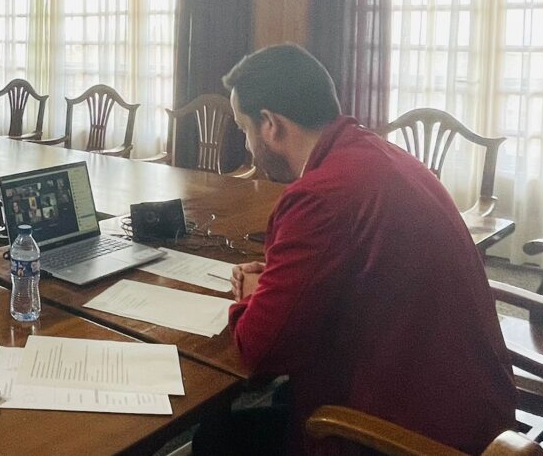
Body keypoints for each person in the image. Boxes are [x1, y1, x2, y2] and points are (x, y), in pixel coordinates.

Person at [191, 45, 516, 456]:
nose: (247, 146)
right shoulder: (379, 154)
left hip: (414, 438)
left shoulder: (321, 195)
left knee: (217, 437)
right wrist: (281, 280)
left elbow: (261, 351)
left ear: (270, 125)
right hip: (476, 412)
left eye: (243, 130)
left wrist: (252, 299)